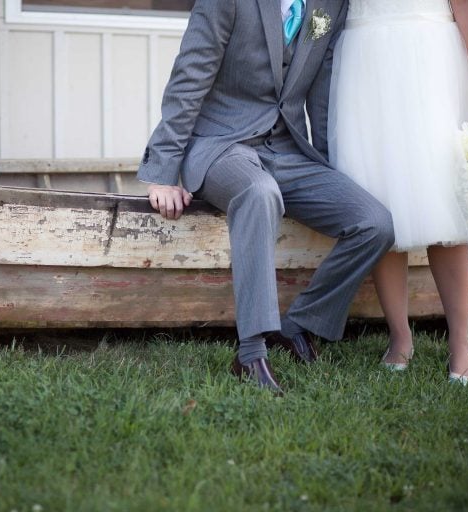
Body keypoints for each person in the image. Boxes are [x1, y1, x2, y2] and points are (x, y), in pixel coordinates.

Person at [138, 0, 395, 393]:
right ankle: (251, 352)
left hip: (288, 148)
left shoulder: (330, 4)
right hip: (221, 144)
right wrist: (163, 172)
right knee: (259, 193)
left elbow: (321, 95)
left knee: (375, 222)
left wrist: (328, 170)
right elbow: (188, 79)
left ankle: (299, 326)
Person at [328, 0, 468, 384]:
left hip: (428, 58)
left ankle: (461, 342)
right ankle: (400, 337)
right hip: (365, 60)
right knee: (380, 195)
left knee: (442, 197)